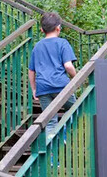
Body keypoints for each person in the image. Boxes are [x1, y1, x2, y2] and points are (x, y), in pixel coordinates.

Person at [28, 12, 77, 140]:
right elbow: (68, 66)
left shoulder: (37, 47)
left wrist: (34, 89)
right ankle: (63, 133)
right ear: (58, 28)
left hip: (43, 87)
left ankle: (50, 150)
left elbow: (31, 70)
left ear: (41, 29)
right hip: (60, 85)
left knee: (50, 121)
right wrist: (76, 78)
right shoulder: (62, 43)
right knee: (75, 108)